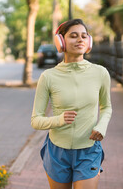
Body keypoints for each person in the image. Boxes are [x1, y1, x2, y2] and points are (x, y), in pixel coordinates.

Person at [31, 19, 112, 189]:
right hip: (57, 151)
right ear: (61, 42)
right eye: (73, 36)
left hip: (88, 149)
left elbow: (106, 107)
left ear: (88, 42)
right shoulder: (48, 77)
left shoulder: (100, 73)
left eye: (84, 36)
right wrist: (58, 120)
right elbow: (36, 120)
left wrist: (102, 126)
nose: (80, 40)